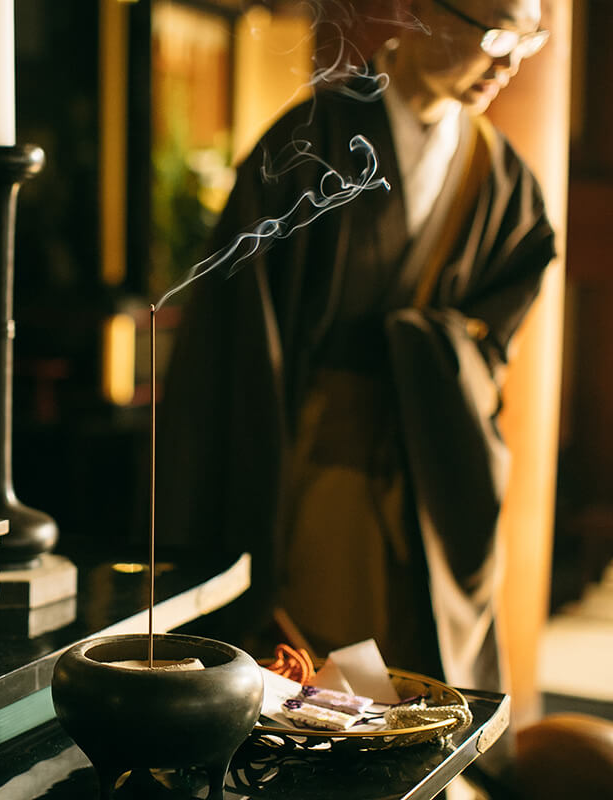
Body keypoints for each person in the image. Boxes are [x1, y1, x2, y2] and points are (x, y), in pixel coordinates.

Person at [158, 0, 555, 694]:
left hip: (433, 474)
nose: (510, 61)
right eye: (497, 34)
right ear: (422, 12)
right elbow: (234, 342)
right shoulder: (310, 143)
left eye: (529, 41)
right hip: (320, 469)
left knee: (429, 687)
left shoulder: (499, 177)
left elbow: (499, 325)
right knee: (328, 688)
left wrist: (429, 349)